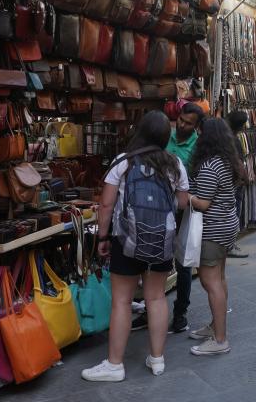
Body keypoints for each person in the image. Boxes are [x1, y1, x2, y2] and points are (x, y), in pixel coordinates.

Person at [83, 111, 190, 381]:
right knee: (156, 297)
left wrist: (103, 238)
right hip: (162, 240)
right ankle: (157, 359)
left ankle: (115, 364)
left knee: (121, 300)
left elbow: (106, 205)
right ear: (167, 136)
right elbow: (182, 202)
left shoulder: (123, 162)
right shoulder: (175, 164)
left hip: (125, 239)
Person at [186, 118, 241, 356]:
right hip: (227, 226)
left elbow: (203, 203)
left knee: (211, 283)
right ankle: (214, 327)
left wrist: (186, 197)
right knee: (219, 278)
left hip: (213, 229)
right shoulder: (227, 161)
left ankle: (220, 340)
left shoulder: (210, 166)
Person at [165, 102, 203, 334]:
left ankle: (180, 313)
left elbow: (196, 183)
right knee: (157, 260)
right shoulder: (165, 136)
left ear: (196, 126)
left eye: (188, 123)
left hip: (182, 210)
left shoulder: (197, 148)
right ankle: (152, 310)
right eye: (180, 119)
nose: (181, 124)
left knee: (183, 262)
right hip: (159, 208)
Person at [225, 110, 250, 259]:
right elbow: (238, 162)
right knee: (234, 213)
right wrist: (245, 178)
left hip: (229, 181)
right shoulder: (233, 140)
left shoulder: (225, 137)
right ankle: (230, 245)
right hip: (235, 181)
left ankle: (228, 244)